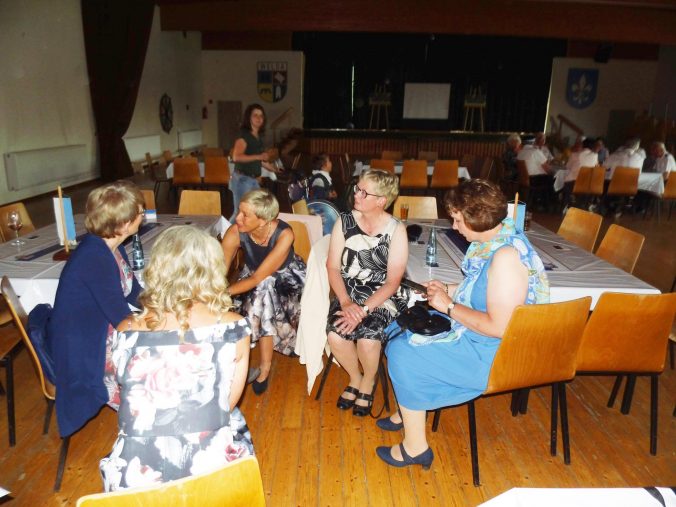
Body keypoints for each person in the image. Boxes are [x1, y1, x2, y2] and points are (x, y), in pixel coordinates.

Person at [376, 179, 549, 469]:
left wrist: (449, 306)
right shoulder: (496, 241)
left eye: (457, 220)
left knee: (403, 352)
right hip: (479, 335)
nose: (454, 226)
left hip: (493, 353)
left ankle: (415, 448)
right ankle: (409, 408)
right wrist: (448, 289)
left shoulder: (506, 259)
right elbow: (482, 290)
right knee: (398, 327)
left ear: (476, 218)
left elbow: (500, 328)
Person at [100, 226, 253, 491]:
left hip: (136, 473)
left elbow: (123, 394)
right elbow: (226, 404)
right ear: (212, 270)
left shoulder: (126, 330)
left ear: (157, 268)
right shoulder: (234, 327)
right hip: (211, 466)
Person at [48, 180, 145, 438]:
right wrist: (161, 321)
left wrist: (165, 305)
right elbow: (121, 319)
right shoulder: (94, 257)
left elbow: (134, 292)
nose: (143, 216)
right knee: (154, 359)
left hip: (99, 330)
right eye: (140, 213)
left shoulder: (112, 247)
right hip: (86, 348)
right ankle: (146, 425)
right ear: (124, 224)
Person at [326, 169, 409, 416]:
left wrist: (362, 310)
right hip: (348, 292)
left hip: (383, 295)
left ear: (381, 200)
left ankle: (369, 380)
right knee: (336, 336)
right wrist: (345, 302)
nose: (356, 194)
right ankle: (355, 377)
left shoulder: (396, 229)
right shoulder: (344, 221)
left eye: (364, 192)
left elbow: (393, 282)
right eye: (357, 188)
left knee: (368, 339)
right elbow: (332, 267)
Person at [221, 189, 306, 395]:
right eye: (239, 211)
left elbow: (258, 278)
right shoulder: (235, 232)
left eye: (245, 215)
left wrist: (221, 294)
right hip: (256, 283)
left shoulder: (284, 234)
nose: (237, 218)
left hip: (288, 282)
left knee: (263, 289)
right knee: (263, 293)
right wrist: (211, 290)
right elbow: (218, 271)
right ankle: (260, 363)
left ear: (263, 221)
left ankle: (261, 364)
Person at [229, 103, 276, 222]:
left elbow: (259, 159)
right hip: (242, 180)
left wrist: (274, 168)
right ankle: (226, 232)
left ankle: (241, 233)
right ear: (248, 118)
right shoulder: (244, 136)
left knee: (253, 211)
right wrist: (259, 156)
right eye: (255, 115)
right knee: (240, 213)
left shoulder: (257, 137)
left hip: (252, 180)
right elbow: (236, 157)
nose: (259, 118)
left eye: (261, 116)